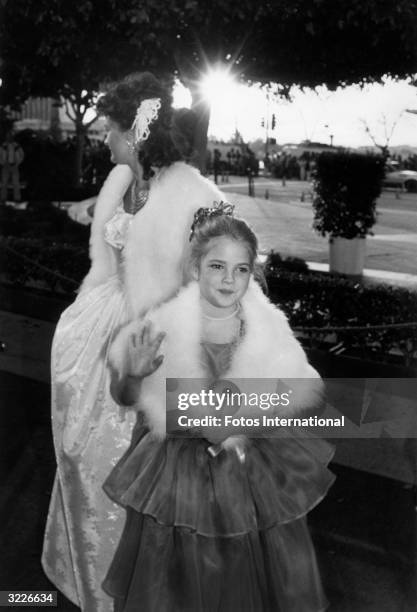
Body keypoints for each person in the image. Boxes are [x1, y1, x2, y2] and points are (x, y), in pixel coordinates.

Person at [41, 72, 224, 612]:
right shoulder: (125, 182)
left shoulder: (194, 195)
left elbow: (228, 263)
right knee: (79, 460)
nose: (104, 139)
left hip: (150, 346)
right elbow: (120, 233)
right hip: (103, 334)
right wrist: (88, 212)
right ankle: (89, 575)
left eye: (111, 129)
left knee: (133, 479)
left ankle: (129, 592)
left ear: (133, 132)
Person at [103, 204, 335, 611]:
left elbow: (298, 392)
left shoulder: (266, 329)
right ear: (195, 268)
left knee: (252, 568)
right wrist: (134, 376)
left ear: (252, 273)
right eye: (216, 266)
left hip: (250, 472)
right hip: (180, 475)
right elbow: (125, 397)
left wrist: (246, 417)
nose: (229, 279)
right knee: (183, 572)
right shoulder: (161, 327)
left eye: (241, 269)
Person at [0, 131, 24, 202]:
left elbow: (22, 154)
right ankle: (3, 198)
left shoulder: (16, 145)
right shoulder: (3, 146)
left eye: (10, 136)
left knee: (16, 183)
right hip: (6, 166)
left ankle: (17, 198)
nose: (9, 138)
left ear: (12, 137)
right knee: (4, 183)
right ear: (6, 137)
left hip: (14, 166)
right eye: (8, 136)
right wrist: (2, 163)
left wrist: (17, 163)